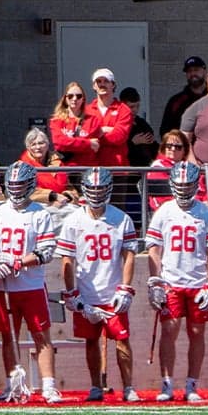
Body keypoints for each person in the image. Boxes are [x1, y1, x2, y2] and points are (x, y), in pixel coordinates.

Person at [54, 168, 139, 402]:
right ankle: (95, 386)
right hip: (86, 291)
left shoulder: (121, 218)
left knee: (122, 339)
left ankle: (128, 386)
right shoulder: (73, 221)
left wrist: (125, 287)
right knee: (91, 340)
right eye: (92, 189)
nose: (96, 193)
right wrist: (72, 292)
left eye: (100, 189)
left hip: (112, 290)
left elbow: (129, 255)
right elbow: (67, 260)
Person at [143, 161, 208, 402]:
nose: (183, 189)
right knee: (169, 331)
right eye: (179, 185)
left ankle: (192, 384)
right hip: (171, 281)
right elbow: (154, 250)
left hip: (198, 282)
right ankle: (167, 383)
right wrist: (155, 281)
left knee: (197, 332)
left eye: (188, 185)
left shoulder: (206, 213)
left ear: (195, 185)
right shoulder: (164, 211)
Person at [0, 160, 61, 403]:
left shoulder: (40, 213)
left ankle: (48, 386)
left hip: (31, 285)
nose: (16, 189)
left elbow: (46, 251)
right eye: (13, 185)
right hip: (4, 285)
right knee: (8, 337)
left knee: (41, 335)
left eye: (21, 185)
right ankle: (13, 385)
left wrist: (18, 262)